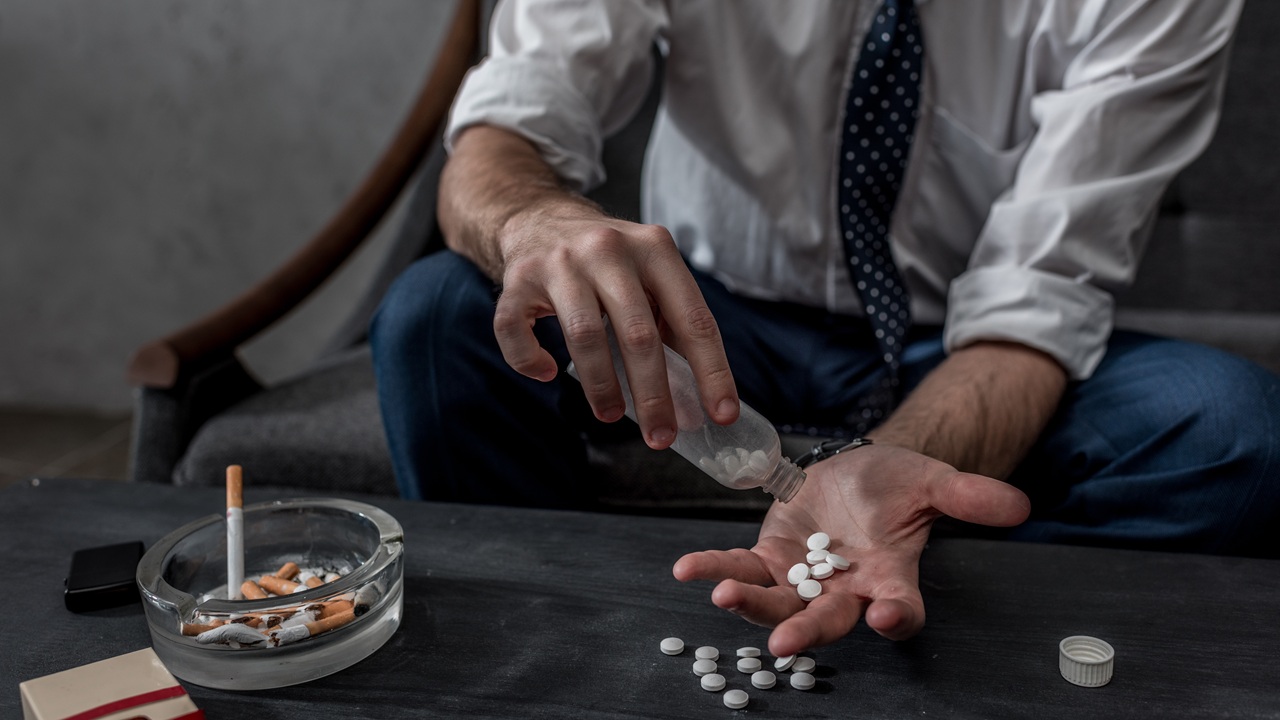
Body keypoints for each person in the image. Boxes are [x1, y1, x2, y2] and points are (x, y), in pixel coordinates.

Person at [371, 0, 1279, 657]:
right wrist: (536, 221)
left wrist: (890, 461)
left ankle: (924, 605)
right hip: (711, 319)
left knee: (1235, 432)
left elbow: (1034, 306)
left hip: (963, 343)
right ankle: (560, 634)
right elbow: (505, 130)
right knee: (439, 313)